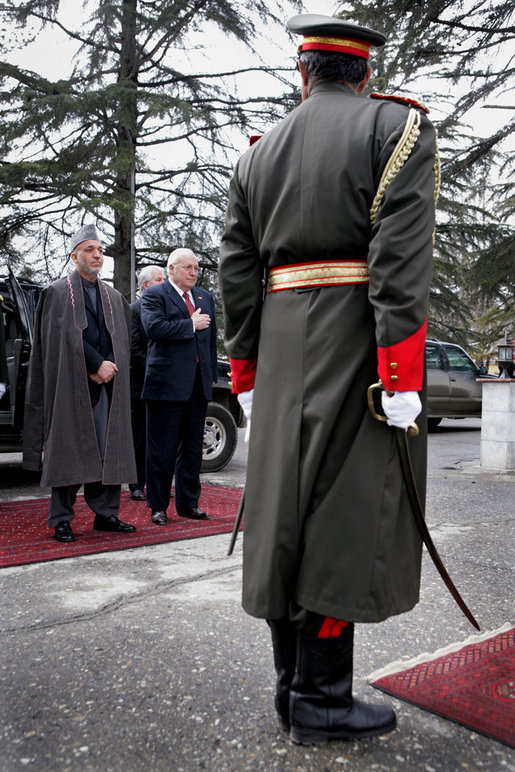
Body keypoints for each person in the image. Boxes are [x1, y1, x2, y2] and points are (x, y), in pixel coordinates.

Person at [219, 14, 438, 745]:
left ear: (302, 73)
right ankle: (318, 697)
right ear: (365, 74)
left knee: (281, 512)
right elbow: (398, 264)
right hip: (357, 340)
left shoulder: (256, 156)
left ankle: (293, 690)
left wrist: (245, 370)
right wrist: (400, 372)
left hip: (280, 346)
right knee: (347, 516)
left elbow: (236, 274)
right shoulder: (397, 131)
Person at [23, 224, 137, 543]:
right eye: (90, 250)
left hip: (106, 387)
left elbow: (121, 340)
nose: (97, 255)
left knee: (106, 448)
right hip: (71, 387)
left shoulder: (114, 297)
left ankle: (106, 515)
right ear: (75, 257)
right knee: (68, 450)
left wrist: (108, 367)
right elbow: (60, 337)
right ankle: (62, 519)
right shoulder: (57, 292)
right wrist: (95, 363)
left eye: (100, 250)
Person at [141, 248, 217, 525]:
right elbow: (154, 329)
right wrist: (190, 324)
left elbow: (209, 342)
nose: (194, 273)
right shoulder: (154, 295)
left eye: (196, 268)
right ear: (171, 269)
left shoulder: (204, 297)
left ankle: (189, 504)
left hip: (197, 386)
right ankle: (158, 506)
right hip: (166, 386)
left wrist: (209, 377)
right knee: (162, 449)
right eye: (188, 267)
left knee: (192, 450)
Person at [129, 265, 166, 501]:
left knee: (161, 438)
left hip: (165, 385)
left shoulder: (168, 308)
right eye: (159, 279)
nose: (165, 282)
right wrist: (157, 368)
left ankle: (158, 485)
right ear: (146, 285)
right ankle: (136, 484)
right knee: (140, 437)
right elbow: (133, 348)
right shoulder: (133, 310)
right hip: (140, 385)